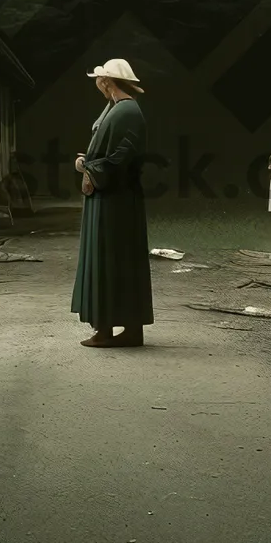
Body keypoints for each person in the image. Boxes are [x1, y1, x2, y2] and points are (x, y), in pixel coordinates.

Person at [71, 58, 154, 348]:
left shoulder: (125, 111)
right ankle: (127, 329)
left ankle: (108, 330)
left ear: (107, 81)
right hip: (114, 197)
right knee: (118, 258)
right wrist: (90, 162)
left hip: (115, 199)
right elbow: (114, 151)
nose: (97, 84)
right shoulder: (118, 109)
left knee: (110, 257)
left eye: (99, 79)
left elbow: (121, 157)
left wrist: (88, 167)